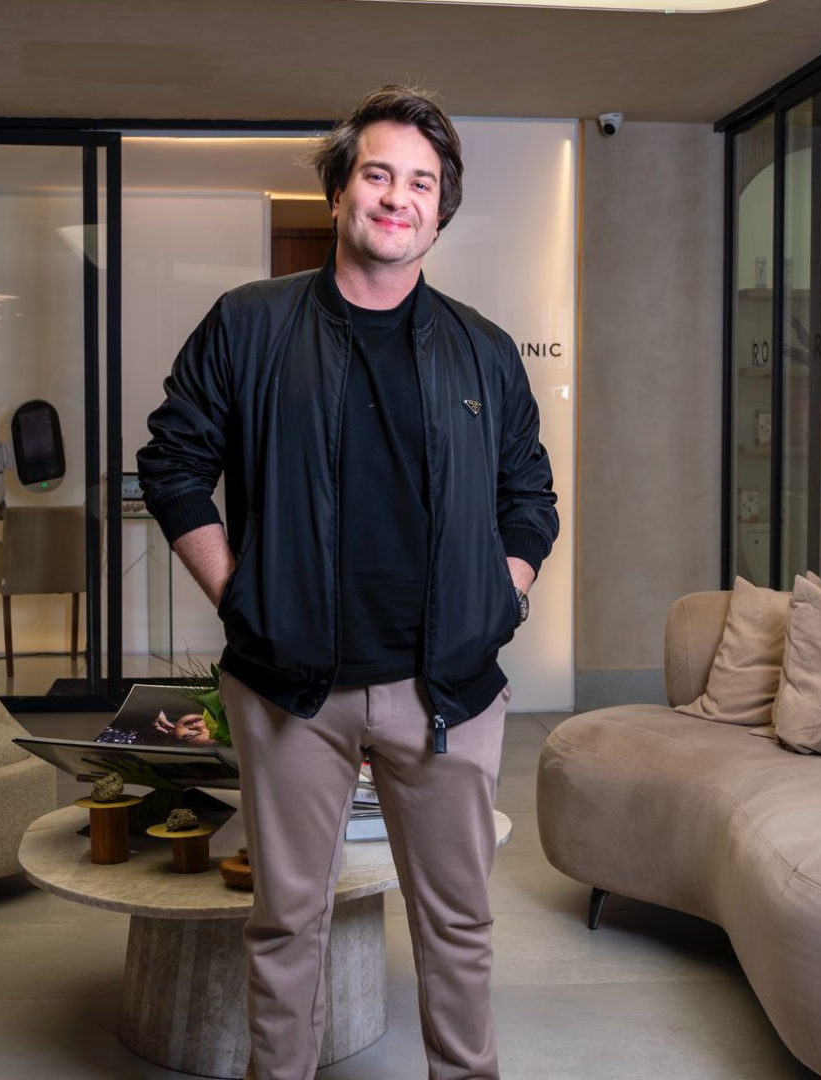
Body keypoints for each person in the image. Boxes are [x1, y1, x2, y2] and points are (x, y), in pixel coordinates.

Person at [137, 84, 558, 1080]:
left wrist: (502, 596)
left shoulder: (482, 350)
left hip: (447, 691)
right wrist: (240, 597)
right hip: (292, 687)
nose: (398, 197)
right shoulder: (248, 324)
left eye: (422, 183)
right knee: (287, 924)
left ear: (440, 210)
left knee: (459, 927)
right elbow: (173, 464)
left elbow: (529, 494)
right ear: (339, 192)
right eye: (379, 174)